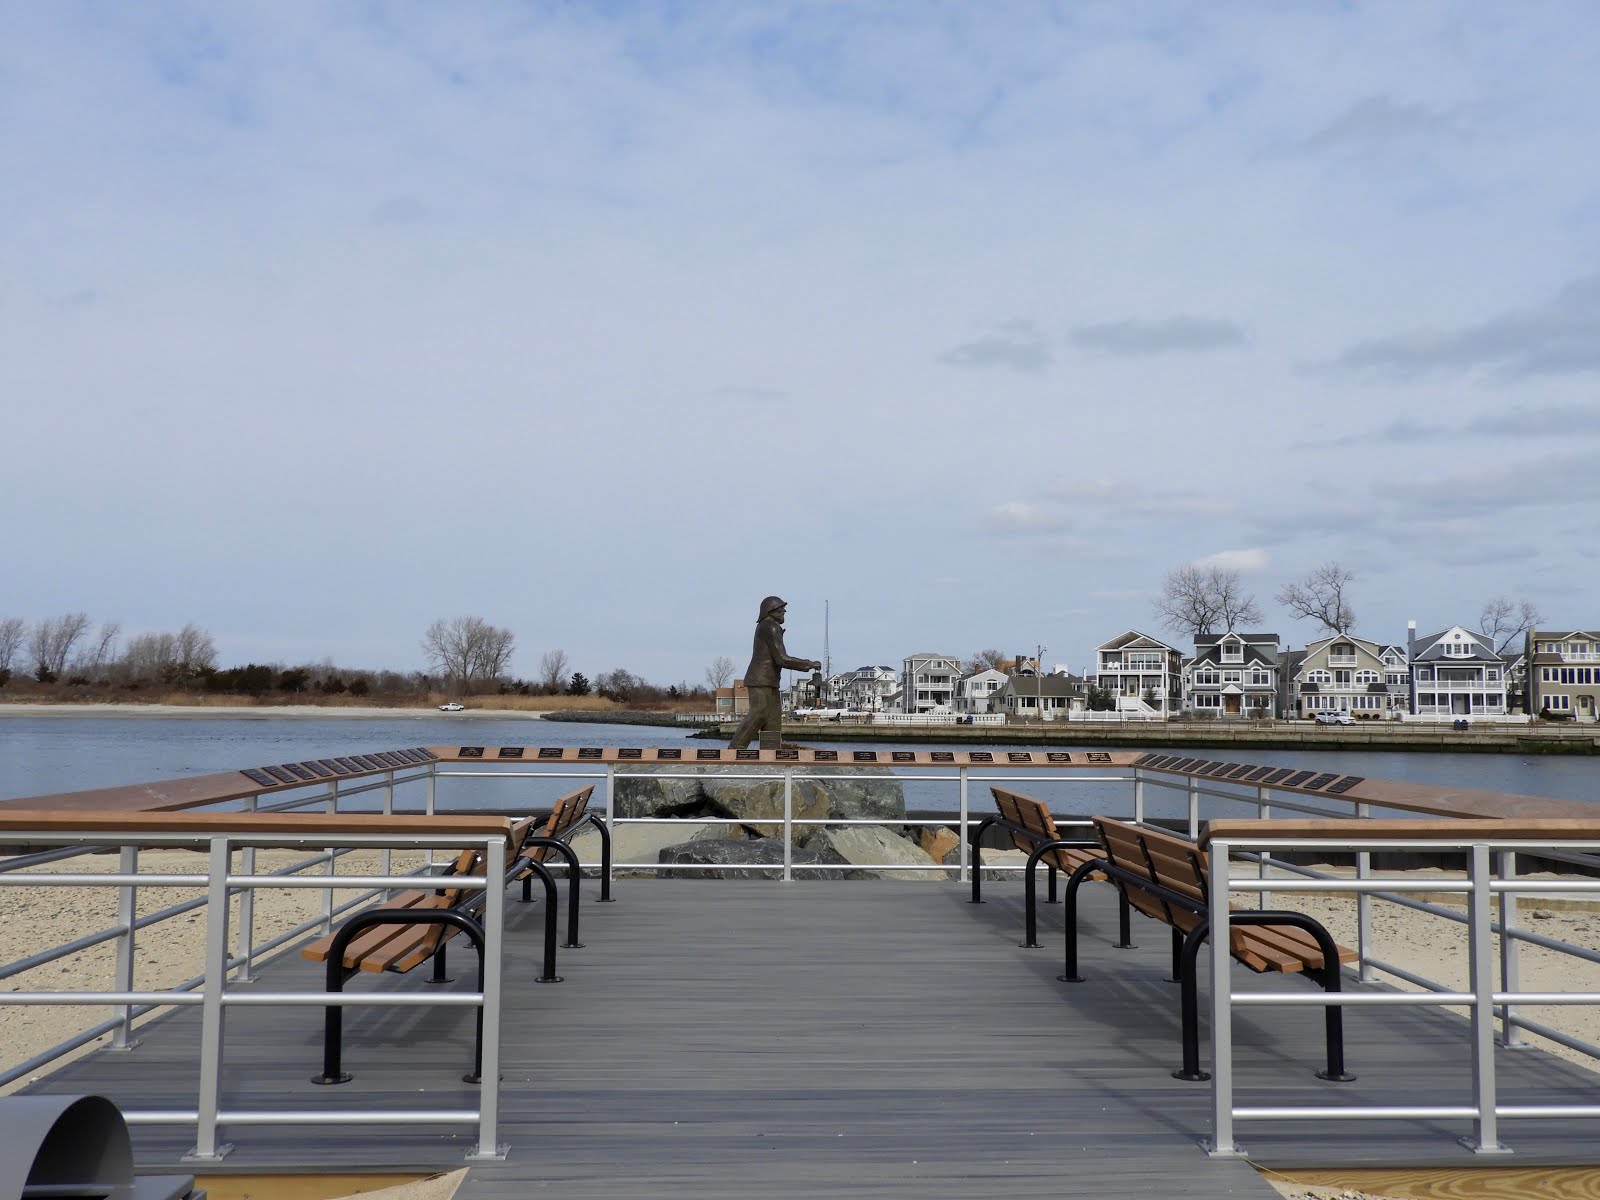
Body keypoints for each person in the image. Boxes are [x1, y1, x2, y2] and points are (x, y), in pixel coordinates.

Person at [728, 596, 822, 750]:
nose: (784, 611)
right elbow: (781, 659)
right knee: (759, 713)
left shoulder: (769, 626)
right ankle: (735, 750)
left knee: (773, 719)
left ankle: (770, 752)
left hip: (770, 682)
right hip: (760, 680)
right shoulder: (770, 627)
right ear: (771, 611)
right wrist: (809, 664)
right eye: (780, 609)